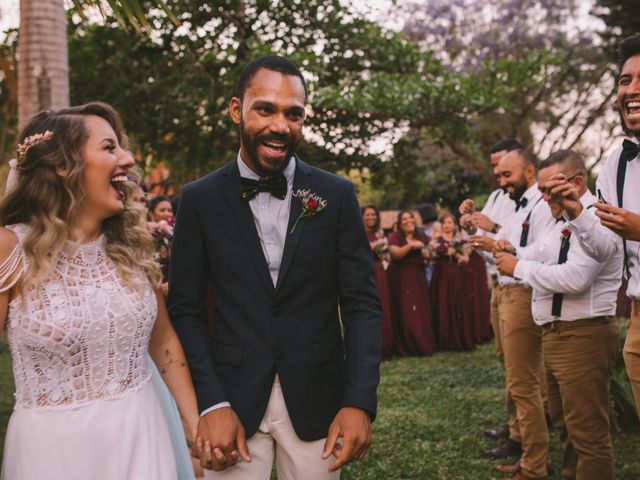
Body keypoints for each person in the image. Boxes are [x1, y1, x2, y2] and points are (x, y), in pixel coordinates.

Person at [168, 56, 381, 479]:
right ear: (236, 110)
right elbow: (185, 309)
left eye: (293, 114)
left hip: (318, 401)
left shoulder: (335, 195)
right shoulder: (199, 199)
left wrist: (358, 401)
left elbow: (362, 304)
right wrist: (211, 403)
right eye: (265, 108)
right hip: (231, 402)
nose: (280, 126)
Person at [0, 102, 199, 479]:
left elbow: (163, 342)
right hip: (52, 453)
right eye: (109, 148)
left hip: (141, 436)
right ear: (62, 165)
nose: (127, 159)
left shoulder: (131, 248)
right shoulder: (10, 249)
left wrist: (193, 426)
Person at [495, 150, 621, 479]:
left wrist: (518, 267)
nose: (543, 197)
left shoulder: (597, 219)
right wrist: (512, 250)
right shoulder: (558, 219)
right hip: (554, 335)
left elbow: (575, 278)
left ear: (577, 182)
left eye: (549, 190)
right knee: (565, 428)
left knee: (588, 436)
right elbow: (539, 253)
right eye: (542, 190)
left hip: (584, 335)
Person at [547, 33, 640, 420]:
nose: (632, 90)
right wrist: (577, 212)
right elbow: (607, 248)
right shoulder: (616, 163)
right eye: (625, 80)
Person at [491, 148, 554, 480]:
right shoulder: (515, 205)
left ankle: (535, 466)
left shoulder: (541, 205)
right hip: (507, 291)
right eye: (499, 176)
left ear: (529, 171)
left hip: (524, 293)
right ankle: (532, 456)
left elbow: (544, 253)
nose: (502, 182)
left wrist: (514, 254)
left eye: (506, 175)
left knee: (524, 384)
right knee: (519, 381)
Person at [459, 138, 523, 457]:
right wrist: (471, 226)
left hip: (520, 288)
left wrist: (493, 227)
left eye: (501, 163)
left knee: (519, 365)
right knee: (505, 360)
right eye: (494, 164)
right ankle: (515, 425)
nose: (496, 170)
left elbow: (520, 244)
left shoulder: (527, 198)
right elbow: (487, 249)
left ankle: (521, 432)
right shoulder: (498, 195)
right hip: (498, 286)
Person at [387, 210, 436, 356]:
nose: (409, 221)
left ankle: (423, 342)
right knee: (407, 312)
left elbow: (431, 255)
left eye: (411, 218)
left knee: (421, 310)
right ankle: (409, 345)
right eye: (405, 219)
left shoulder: (423, 236)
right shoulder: (394, 237)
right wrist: (411, 246)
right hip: (401, 278)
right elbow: (395, 254)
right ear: (400, 223)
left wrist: (428, 255)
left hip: (419, 278)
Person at [428, 213, 474, 351]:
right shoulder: (436, 239)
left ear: (455, 225)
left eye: (450, 222)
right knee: (441, 303)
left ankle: (457, 339)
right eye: (445, 223)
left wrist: (455, 253)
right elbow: (427, 254)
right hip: (440, 275)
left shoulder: (460, 240)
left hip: (455, 275)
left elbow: (466, 260)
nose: (447, 225)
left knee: (456, 303)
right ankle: (443, 340)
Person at [362, 204, 397, 359]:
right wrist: (371, 246)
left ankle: (386, 346)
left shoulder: (380, 233)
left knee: (383, 306)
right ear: (362, 216)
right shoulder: (357, 232)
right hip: (364, 273)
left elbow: (385, 256)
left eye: (373, 215)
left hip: (380, 272)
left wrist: (382, 250)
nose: (371, 218)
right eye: (368, 215)